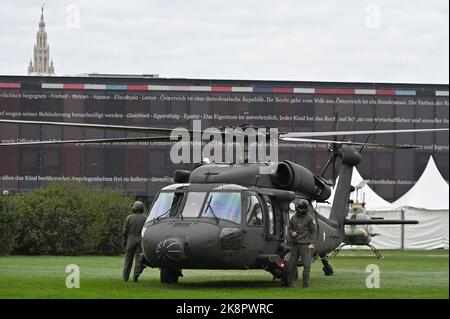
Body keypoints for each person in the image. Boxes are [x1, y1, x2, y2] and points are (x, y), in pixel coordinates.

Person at [286, 199, 317, 288]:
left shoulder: (309, 219)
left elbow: (313, 231)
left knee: (307, 265)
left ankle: (306, 284)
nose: (300, 210)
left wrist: (312, 243)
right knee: (292, 264)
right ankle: (292, 283)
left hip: (305, 244)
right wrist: (292, 233)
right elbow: (289, 228)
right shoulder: (293, 217)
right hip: (295, 244)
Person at [122, 200, 147, 282]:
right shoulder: (145, 218)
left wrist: (125, 241)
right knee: (138, 259)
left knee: (128, 260)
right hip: (140, 240)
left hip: (131, 239)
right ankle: (136, 276)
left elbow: (125, 231)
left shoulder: (129, 218)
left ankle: (125, 277)